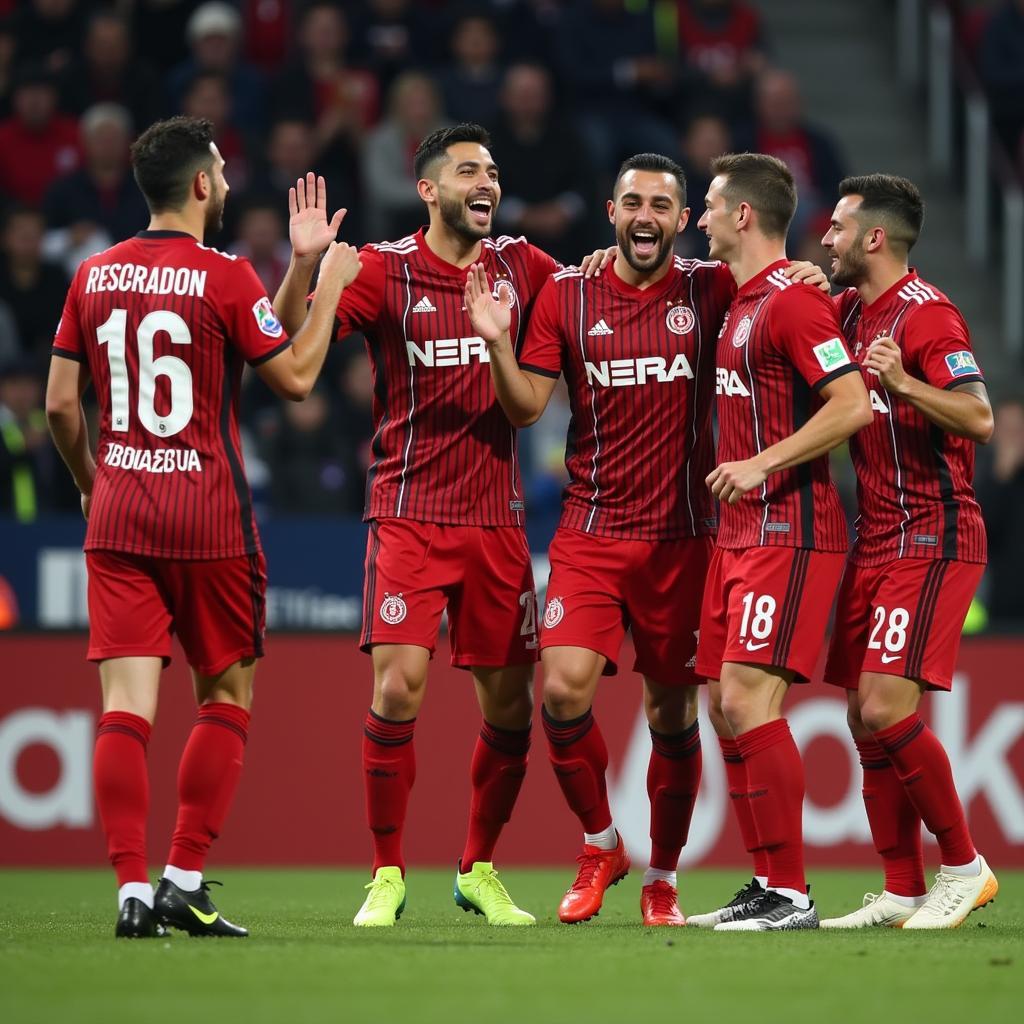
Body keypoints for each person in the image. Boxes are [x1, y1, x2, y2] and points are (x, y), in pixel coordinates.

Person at [274, 123, 610, 928]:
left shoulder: (523, 266)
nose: (485, 181)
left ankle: (477, 868)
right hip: (409, 513)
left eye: (492, 170)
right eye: (467, 171)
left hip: (495, 521)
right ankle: (387, 871)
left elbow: (592, 307)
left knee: (508, 709)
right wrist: (305, 265)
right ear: (428, 190)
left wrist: (604, 265)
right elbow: (286, 339)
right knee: (398, 686)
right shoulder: (386, 270)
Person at [45, 116, 361, 939]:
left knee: (124, 710)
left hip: (119, 515)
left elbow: (57, 405)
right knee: (225, 696)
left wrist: (89, 483)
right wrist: (328, 288)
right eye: (219, 172)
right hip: (209, 520)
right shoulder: (220, 276)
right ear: (198, 186)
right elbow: (290, 376)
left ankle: (130, 892)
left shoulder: (92, 274)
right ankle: (184, 873)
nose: (225, 183)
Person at [688, 152, 872, 931]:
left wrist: (760, 462)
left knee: (745, 698)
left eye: (707, 205)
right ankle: (765, 882)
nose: (697, 218)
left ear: (743, 215)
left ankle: (792, 893)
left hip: (789, 531)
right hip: (737, 535)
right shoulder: (745, 298)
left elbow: (853, 403)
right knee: (720, 705)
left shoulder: (795, 307)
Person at [818, 174, 998, 929]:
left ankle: (966, 866)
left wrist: (905, 385)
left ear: (874, 238)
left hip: (934, 529)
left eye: (835, 228)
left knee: (888, 707)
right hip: (877, 536)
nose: (824, 238)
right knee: (862, 715)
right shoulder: (852, 309)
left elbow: (980, 416)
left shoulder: (928, 317)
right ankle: (902, 886)